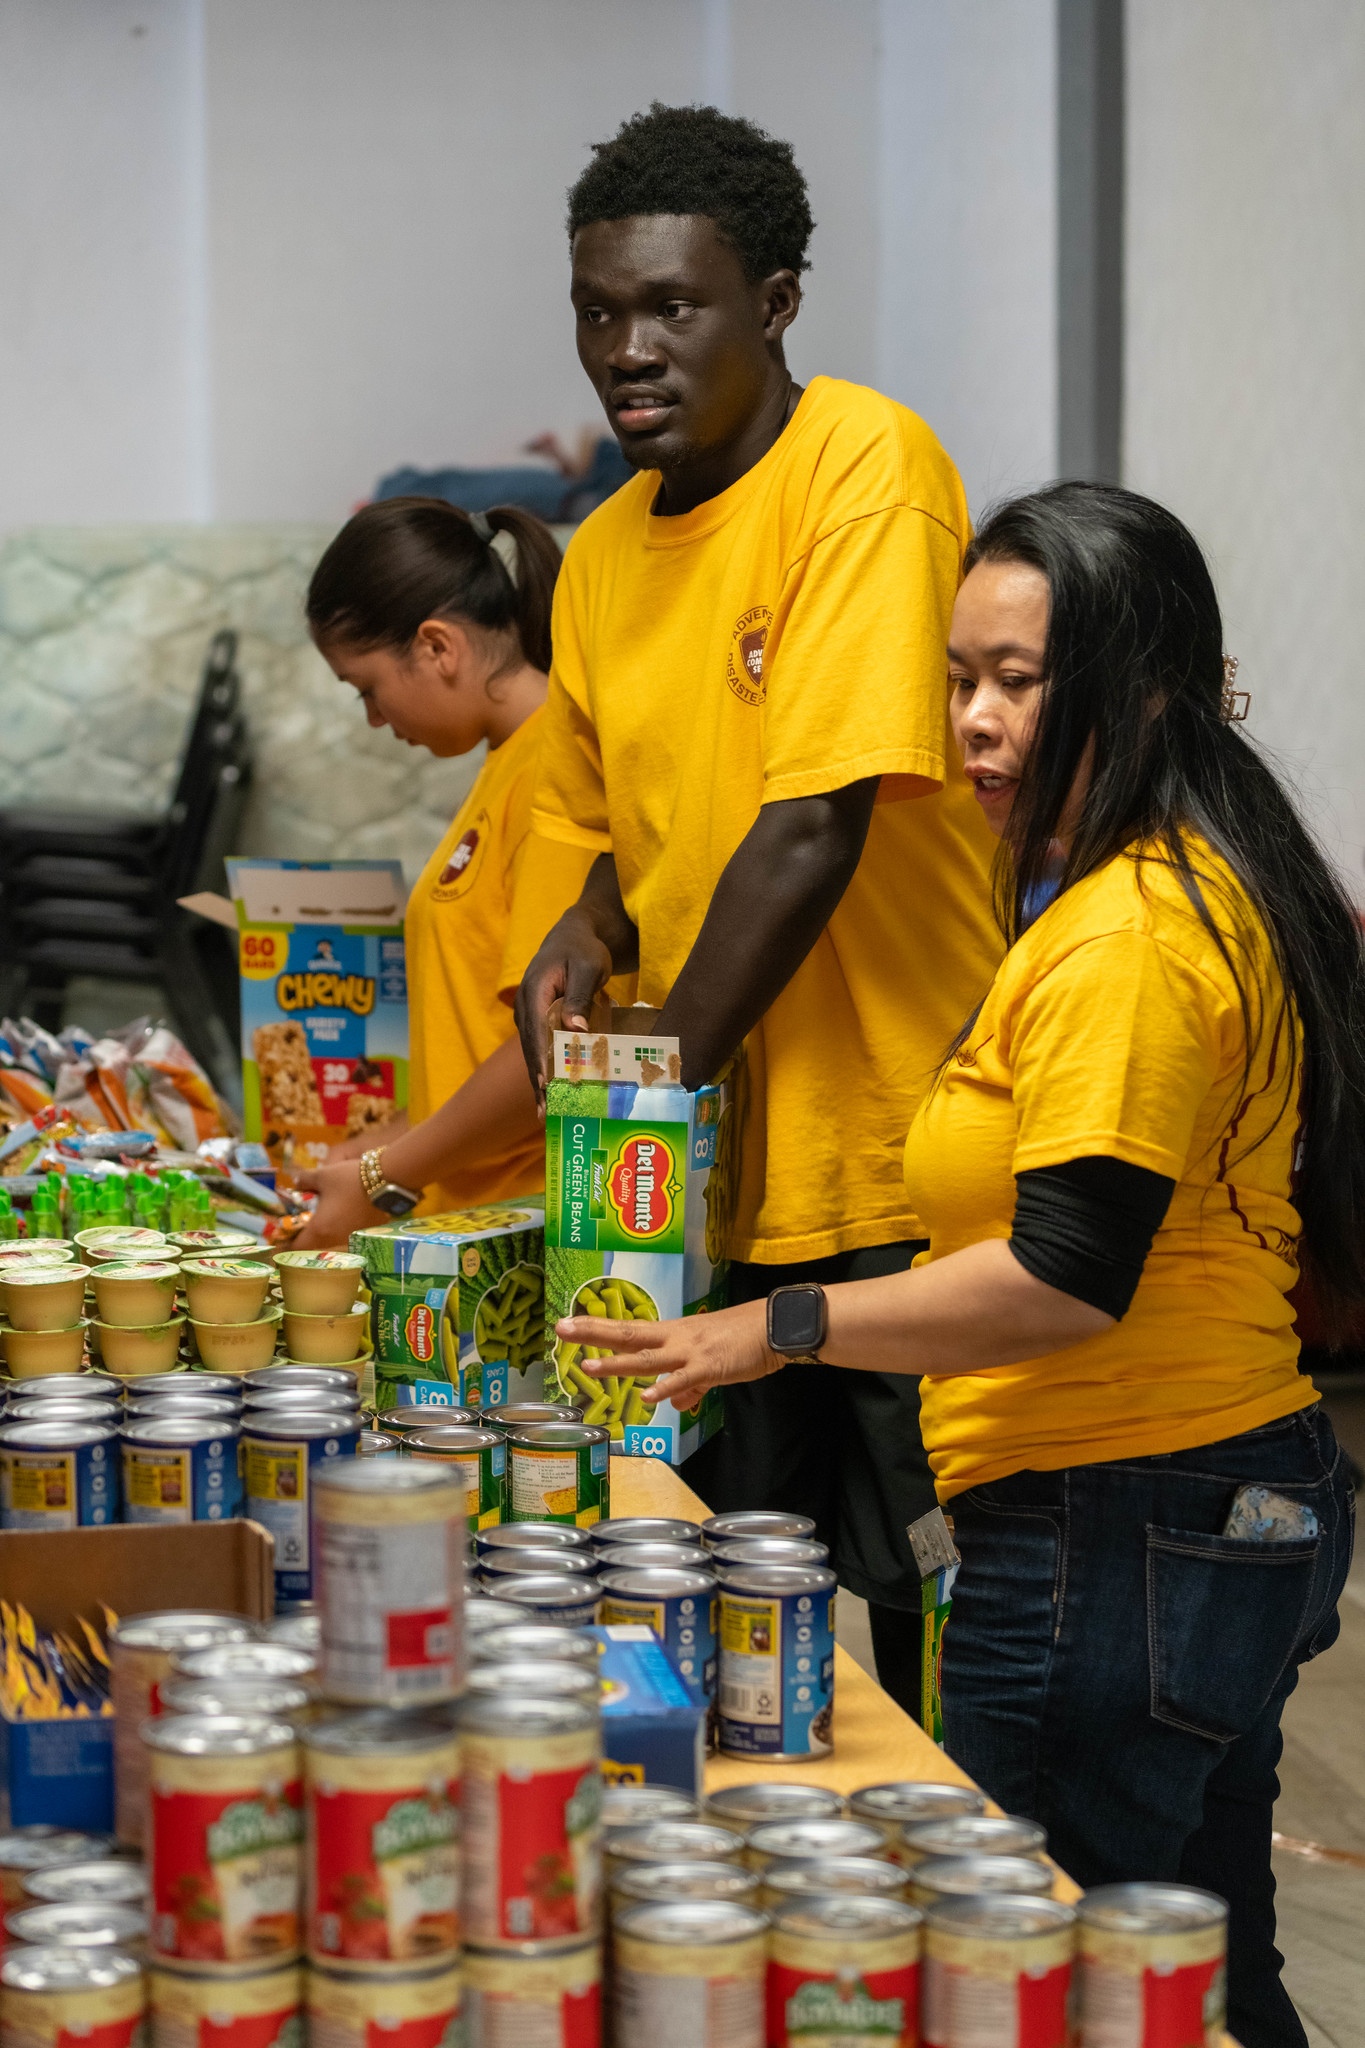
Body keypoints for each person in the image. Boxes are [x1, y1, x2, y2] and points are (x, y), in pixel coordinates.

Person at [558, 482, 1362, 2048]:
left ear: (1142, 689)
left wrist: (776, 1328)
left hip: (1115, 1528)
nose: (972, 724)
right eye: (956, 677)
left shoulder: (1130, 935)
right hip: (1195, 1510)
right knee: (1195, 1975)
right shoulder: (1157, 889)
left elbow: (1064, 1278)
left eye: (1016, 680)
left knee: (1029, 1989)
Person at [514, 102, 1001, 1713]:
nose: (628, 349)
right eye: (599, 310)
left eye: (674, 305)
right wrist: (586, 930)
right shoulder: (594, 562)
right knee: (728, 1613)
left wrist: (629, 1097)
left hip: (891, 1168)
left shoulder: (863, 465)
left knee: (931, 1608)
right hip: (716, 1201)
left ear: (776, 303)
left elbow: (812, 822)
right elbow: (635, 834)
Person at [291, 496, 599, 1245]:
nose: (373, 718)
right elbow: (476, 1035)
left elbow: (557, 1040)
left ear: (436, 647)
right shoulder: (508, 765)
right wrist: (380, 1144)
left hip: (527, 1232)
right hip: (465, 1222)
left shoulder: (553, 771)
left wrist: (385, 1174)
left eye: (366, 688)